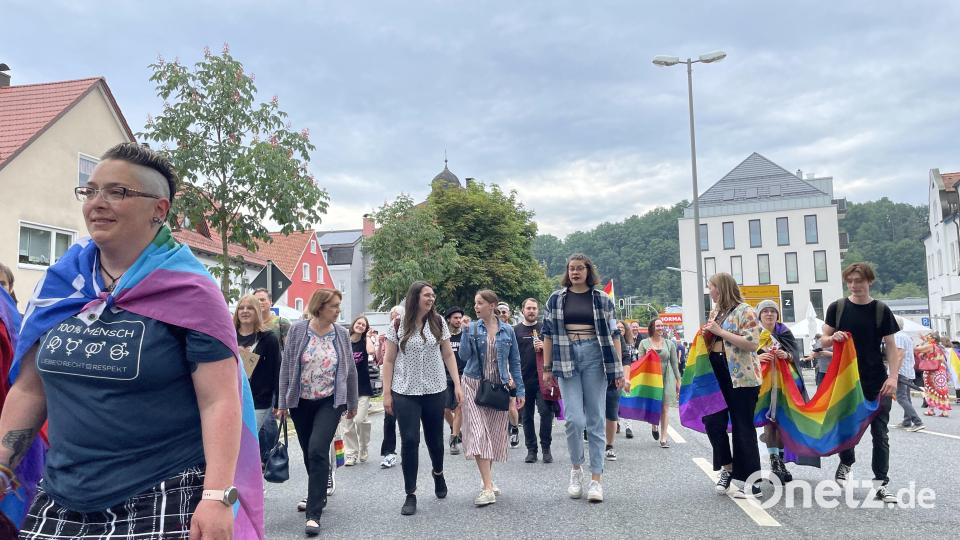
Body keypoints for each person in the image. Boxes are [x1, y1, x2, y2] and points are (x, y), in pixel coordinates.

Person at [0, 143, 262, 538]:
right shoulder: (60, 285)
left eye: (118, 192)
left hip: (162, 492)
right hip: (63, 493)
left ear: (159, 210)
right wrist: (3, 464)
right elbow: (30, 389)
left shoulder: (190, 290)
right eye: (90, 191)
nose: (97, 203)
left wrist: (217, 496)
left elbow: (220, 400)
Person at [542, 254, 624, 503]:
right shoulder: (556, 299)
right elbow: (547, 334)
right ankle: (576, 469)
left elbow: (614, 335)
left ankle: (596, 479)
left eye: (580, 268)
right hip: (566, 356)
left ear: (588, 271)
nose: (575, 272)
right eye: (571, 268)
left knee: (596, 419)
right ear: (567, 272)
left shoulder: (601, 299)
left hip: (595, 357)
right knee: (575, 420)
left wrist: (618, 369)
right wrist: (547, 368)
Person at [277, 288, 358, 536]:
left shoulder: (342, 334)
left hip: (330, 402)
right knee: (308, 452)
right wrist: (282, 402)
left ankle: (314, 514)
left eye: (338, 306)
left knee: (317, 450)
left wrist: (352, 403)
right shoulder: (298, 330)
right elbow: (287, 367)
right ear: (320, 306)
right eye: (333, 306)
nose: (338, 310)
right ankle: (318, 492)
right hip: (300, 402)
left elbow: (350, 371)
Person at [381, 282, 463, 516]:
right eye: (427, 295)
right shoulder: (398, 324)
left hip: (435, 389)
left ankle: (438, 473)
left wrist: (457, 384)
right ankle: (410, 493)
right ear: (415, 297)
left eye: (433, 295)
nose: (431, 298)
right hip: (405, 391)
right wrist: (387, 393)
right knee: (409, 441)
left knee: (435, 440)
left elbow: (448, 353)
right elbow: (388, 360)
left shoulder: (438, 322)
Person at [821, 262, 900, 503]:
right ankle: (846, 462)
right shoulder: (838, 307)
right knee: (847, 428)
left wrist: (894, 377)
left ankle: (881, 484)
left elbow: (891, 346)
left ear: (869, 282)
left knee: (880, 434)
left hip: (877, 380)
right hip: (846, 383)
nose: (855, 286)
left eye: (859, 281)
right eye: (851, 282)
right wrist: (832, 337)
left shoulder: (880, 310)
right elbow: (822, 339)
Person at [458, 290, 525, 506]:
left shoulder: (507, 331)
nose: (476, 307)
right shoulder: (472, 328)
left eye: (480, 303)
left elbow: (515, 361)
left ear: (492, 305)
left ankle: (487, 480)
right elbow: (464, 356)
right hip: (473, 384)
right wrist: (465, 334)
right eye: (475, 303)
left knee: (494, 435)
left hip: (498, 386)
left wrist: (519, 391)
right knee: (478, 434)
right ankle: (487, 488)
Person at [701, 272, 762, 499]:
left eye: (712, 287)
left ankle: (751, 480)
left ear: (722, 288)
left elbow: (752, 343)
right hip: (715, 370)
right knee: (712, 421)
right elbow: (713, 339)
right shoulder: (716, 311)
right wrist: (706, 335)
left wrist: (720, 332)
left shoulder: (744, 310)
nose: (710, 291)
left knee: (742, 426)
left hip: (741, 376)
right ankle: (727, 468)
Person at [754, 299, 820, 483]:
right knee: (769, 421)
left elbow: (795, 355)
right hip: (763, 385)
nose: (769, 314)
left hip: (787, 383)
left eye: (772, 311)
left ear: (777, 314)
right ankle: (775, 462)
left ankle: (781, 462)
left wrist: (787, 355)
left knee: (783, 423)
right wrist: (759, 357)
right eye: (765, 311)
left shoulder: (784, 332)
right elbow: (746, 354)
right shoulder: (754, 333)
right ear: (759, 315)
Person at [515, 298, 555, 463]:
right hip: (523, 379)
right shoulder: (515, 330)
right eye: (528, 308)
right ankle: (531, 450)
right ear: (523, 310)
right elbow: (512, 356)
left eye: (534, 308)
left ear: (538, 311)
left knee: (546, 412)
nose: (531, 311)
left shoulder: (545, 329)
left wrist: (544, 348)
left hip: (543, 379)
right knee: (526, 417)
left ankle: (546, 448)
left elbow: (556, 352)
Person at [234, 294, 282, 431]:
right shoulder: (229, 336)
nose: (245, 311)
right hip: (232, 398)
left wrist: (279, 402)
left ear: (257, 311)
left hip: (259, 401)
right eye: (241, 308)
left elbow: (277, 370)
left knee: (247, 439)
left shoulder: (268, 338)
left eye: (250, 308)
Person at [636, 318, 681, 449]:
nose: (660, 328)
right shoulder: (644, 343)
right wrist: (647, 356)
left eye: (662, 326)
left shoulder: (669, 344)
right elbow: (640, 363)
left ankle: (664, 437)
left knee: (665, 407)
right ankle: (654, 425)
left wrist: (679, 381)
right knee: (654, 406)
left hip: (666, 377)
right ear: (652, 327)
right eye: (658, 326)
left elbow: (674, 364)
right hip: (651, 378)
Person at [340, 315, 376, 466]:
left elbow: (371, 351)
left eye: (363, 325)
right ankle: (351, 454)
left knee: (360, 420)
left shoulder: (364, 342)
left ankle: (364, 446)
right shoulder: (344, 340)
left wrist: (367, 337)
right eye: (359, 323)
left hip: (362, 387)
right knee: (347, 424)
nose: (360, 326)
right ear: (353, 323)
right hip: (345, 389)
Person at [377, 305, 404, 469]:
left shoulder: (406, 332)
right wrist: (381, 344)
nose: (394, 318)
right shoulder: (389, 334)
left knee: (406, 419)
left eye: (397, 315)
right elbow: (380, 359)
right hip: (390, 378)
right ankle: (389, 452)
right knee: (389, 416)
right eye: (392, 316)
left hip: (404, 380)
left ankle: (409, 450)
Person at [604, 321, 635, 459]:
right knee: (594, 413)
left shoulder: (615, 333)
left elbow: (626, 358)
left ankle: (609, 446)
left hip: (613, 379)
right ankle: (595, 442)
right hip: (593, 377)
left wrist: (626, 377)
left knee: (611, 413)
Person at [443, 306, 466, 455]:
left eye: (460, 318)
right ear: (449, 320)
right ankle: (455, 429)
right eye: (455, 318)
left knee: (459, 408)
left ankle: (453, 439)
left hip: (463, 375)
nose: (458, 320)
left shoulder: (465, 335)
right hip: (444, 376)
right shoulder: (443, 337)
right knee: (444, 409)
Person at [893, 325, 925, 431]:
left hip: (901, 371)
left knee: (901, 397)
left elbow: (899, 355)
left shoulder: (898, 337)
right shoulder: (905, 336)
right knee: (906, 397)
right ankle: (907, 421)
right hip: (907, 370)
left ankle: (917, 421)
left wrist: (894, 372)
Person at [916, 336, 952, 418]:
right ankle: (944, 411)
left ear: (933, 339)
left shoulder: (930, 346)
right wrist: (947, 372)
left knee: (930, 390)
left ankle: (931, 410)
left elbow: (917, 349)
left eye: (929, 337)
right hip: (940, 370)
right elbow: (943, 360)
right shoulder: (940, 347)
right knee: (942, 390)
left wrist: (923, 342)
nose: (927, 338)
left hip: (931, 371)